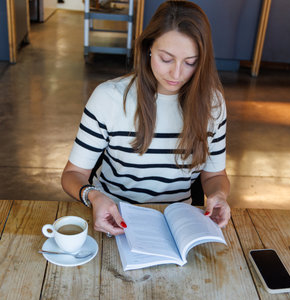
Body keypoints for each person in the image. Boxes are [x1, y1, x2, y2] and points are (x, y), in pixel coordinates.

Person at [61, 0, 230, 236]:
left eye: (190, 62)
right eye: (166, 59)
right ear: (148, 48)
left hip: (178, 227)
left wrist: (219, 195)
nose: (177, 74)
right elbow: (73, 175)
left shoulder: (212, 103)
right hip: (116, 221)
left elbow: (214, 175)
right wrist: (94, 197)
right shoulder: (109, 98)